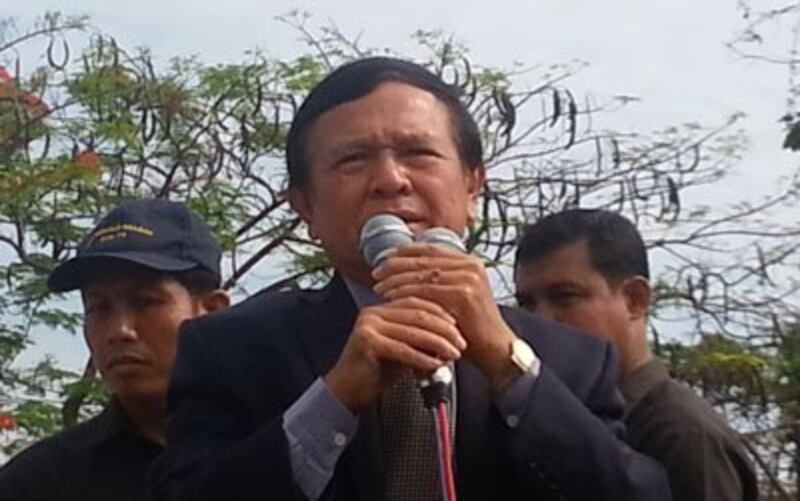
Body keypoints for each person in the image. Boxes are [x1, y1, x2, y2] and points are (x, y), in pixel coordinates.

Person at [151, 57, 670, 501]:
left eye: (418, 153)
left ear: (472, 186)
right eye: (353, 159)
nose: (390, 180)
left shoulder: (571, 360)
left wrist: (506, 364)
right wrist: (333, 401)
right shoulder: (229, 348)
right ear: (305, 207)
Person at [514, 208, 758, 501]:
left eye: (565, 297)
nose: (541, 320)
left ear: (635, 300)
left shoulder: (683, 435)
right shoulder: (539, 419)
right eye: (527, 304)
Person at [0, 198, 230, 501]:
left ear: (212, 312)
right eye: (99, 307)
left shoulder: (286, 446)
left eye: (147, 302)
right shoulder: (36, 484)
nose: (119, 331)